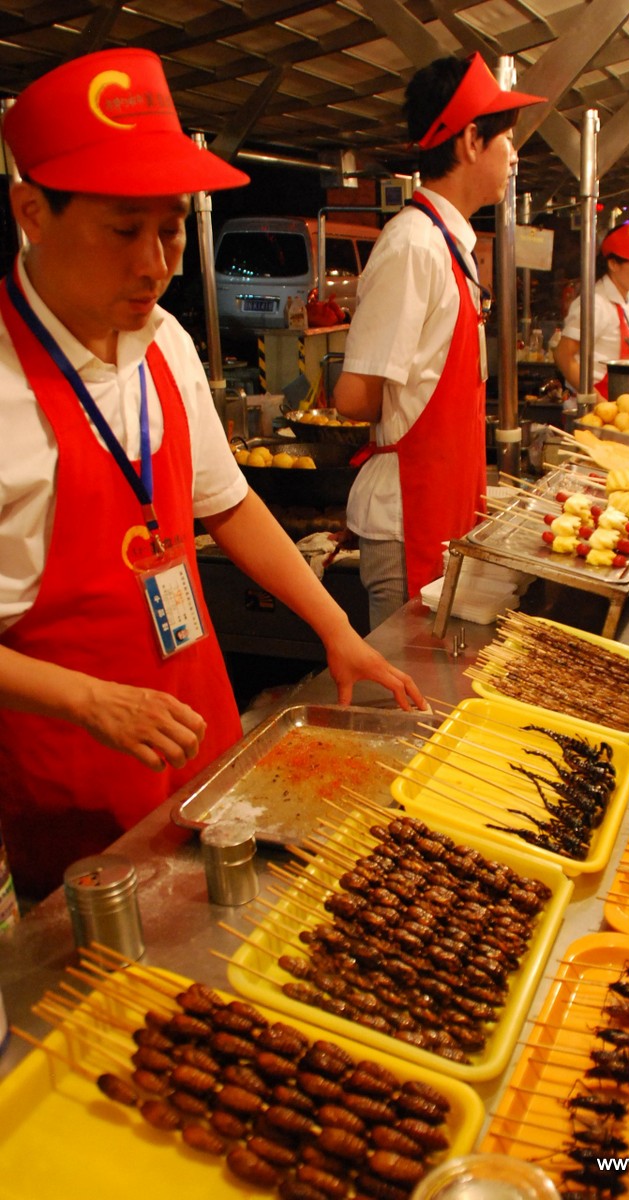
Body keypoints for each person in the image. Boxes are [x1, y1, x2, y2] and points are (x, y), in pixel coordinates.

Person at [0, 48, 425, 901]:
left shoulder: (167, 343)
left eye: (168, 228)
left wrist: (334, 626)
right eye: (125, 230)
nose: (157, 263)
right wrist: (88, 702)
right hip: (80, 774)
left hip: (204, 730)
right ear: (32, 212)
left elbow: (229, 506)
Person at [333, 53, 544, 630]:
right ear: (473, 140)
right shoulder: (413, 246)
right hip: (408, 521)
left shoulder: (450, 245)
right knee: (410, 701)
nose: (515, 157)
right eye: (508, 141)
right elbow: (353, 397)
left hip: (443, 511)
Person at [553, 219, 629, 396]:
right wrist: (595, 400)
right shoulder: (596, 304)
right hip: (595, 404)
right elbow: (563, 355)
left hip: (620, 397)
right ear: (613, 264)